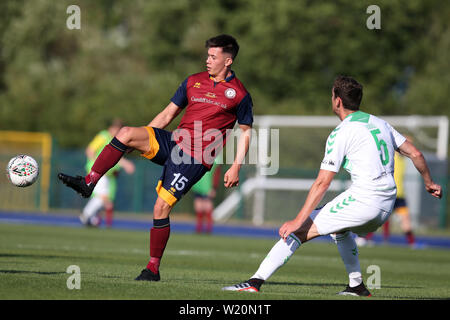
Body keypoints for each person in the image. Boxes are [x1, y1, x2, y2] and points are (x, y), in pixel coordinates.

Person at [222, 76, 442, 296]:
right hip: (387, 202)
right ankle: (356, 285)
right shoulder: (380, 123)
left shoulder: (341, 132)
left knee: (297, 232)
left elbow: (322, 182)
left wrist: (297, 220)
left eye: (331, 95)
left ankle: (254, 282)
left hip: (365, 199)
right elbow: (416, 153)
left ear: (337, 101)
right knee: (340, 231)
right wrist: (429, 183)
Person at [58, 34, 253, 281]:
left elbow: (246, 134)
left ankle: (152, 269)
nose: (207, 60)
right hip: (174, 141)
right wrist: (140, 139)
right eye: (207, 55)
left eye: (213, 57)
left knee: (161, 207)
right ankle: (89, 182)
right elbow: (167, 114)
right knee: (126, 132)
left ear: (228, 60)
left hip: (195, 158)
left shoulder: (239, 94)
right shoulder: (193, 81)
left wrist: (235, 167)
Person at [358, 139, 416, 247]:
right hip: (388, 192)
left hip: (400, 195)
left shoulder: (405, 158)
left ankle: (412, 243)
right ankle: (365, 238)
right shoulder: (393, 155)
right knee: (377, 218)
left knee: (406, 220)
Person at [79, 119, 135, 227]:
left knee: (103, 198)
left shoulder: (113, 139)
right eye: (118, 130)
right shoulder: (104, 136)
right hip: (97, 171)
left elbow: (116, 158)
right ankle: (86, 215)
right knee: (102, 198)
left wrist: (126, 164)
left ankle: (93, 219)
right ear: (113, 128)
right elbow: (90, 150)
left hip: (104, 173)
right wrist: (97, 166)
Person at [192, 159, 221, 234]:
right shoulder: (197, 156)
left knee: (207, 207)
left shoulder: (215, 159)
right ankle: (199, 228)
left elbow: (216, 174)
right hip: (197, 186)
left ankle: (208, 229)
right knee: (199, 207)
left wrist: (214, 187)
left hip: (208, 187)